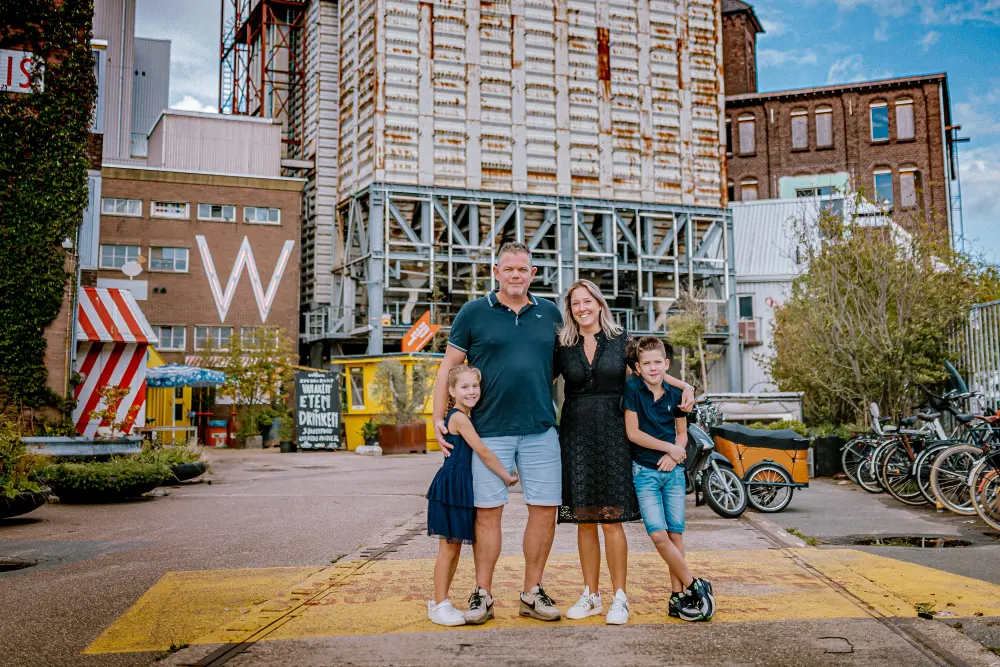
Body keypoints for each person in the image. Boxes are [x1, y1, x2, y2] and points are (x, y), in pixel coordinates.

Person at [432, 241, 564, 625]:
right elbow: (447, 369)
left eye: (523, 270)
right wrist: (437, 416)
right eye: (509, 269)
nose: (516, 276)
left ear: (533, 274)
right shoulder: (474, 312)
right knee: (487, 516)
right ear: (496, 272)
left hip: (540, 429)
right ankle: (483, 594)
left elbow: (557, 368)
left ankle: (532, 592)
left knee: (544, 512)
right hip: (487, 431)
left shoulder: (551, 313)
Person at [556, 280, 695, 626]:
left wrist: (686, 385)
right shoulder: (562, 345)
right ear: (570, 309)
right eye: (575, 304)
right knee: (584, 520)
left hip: (615, 437)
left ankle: (620, 597)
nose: (582, 308)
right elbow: (537, 380)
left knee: (612, 520)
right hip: (576, 436)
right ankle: (591, 594)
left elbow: (653, 371)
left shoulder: (622, 342)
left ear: (600, 304)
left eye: (588, 301)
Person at [623, 336, 715, 622]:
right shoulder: (632, 390)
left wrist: (676, 455)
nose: (652, 368)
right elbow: (633, 433)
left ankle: (677, 597)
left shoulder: (676, 396)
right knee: (658, 535)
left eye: (657, 363)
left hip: (672, 473)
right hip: (645, 473)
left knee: (676, 535)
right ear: (637, 367)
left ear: (666, 364)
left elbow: (682, 433)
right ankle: (695, 585)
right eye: (646, 363)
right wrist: (669, 449)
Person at [426, 365, 519, 627]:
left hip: (460, 486)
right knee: (448, 548)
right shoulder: (459, 418)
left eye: (474, 386)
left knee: (453, 547)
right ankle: (439, 603)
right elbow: (482, 451)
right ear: (452, 391)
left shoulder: (467, 415)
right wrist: (507, 475)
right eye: (464, 387)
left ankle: (441, 602)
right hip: (451, 487)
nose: (471, 391)